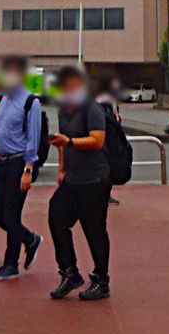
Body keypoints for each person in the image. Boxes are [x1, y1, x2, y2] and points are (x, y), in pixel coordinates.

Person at [48, 65, 111, 301]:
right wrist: (62, 168)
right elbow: (63, 142)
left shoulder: (91, 108)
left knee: (93, 229)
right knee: (56, 218)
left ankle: (101, 280)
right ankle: (70, 272)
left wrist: (70, 141)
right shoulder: (64, 110)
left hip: (95, 179)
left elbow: (97, 140)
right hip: (72, 180)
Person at [0, 54, 43, 281]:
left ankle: (11, 264)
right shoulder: (4, 100)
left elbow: (33, 138)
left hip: (20, 162)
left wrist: (28, 169)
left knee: (11, 213)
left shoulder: (31, 102)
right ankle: (29, 239)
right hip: (2, 161)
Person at [94, 70, 123, 206]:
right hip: (107, 138)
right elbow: (108, 119)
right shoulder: (103, 99)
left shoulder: (106, 97)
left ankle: (105, 194)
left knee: (106, 166)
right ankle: (104, 195)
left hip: (108, 136)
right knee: (105, 167)